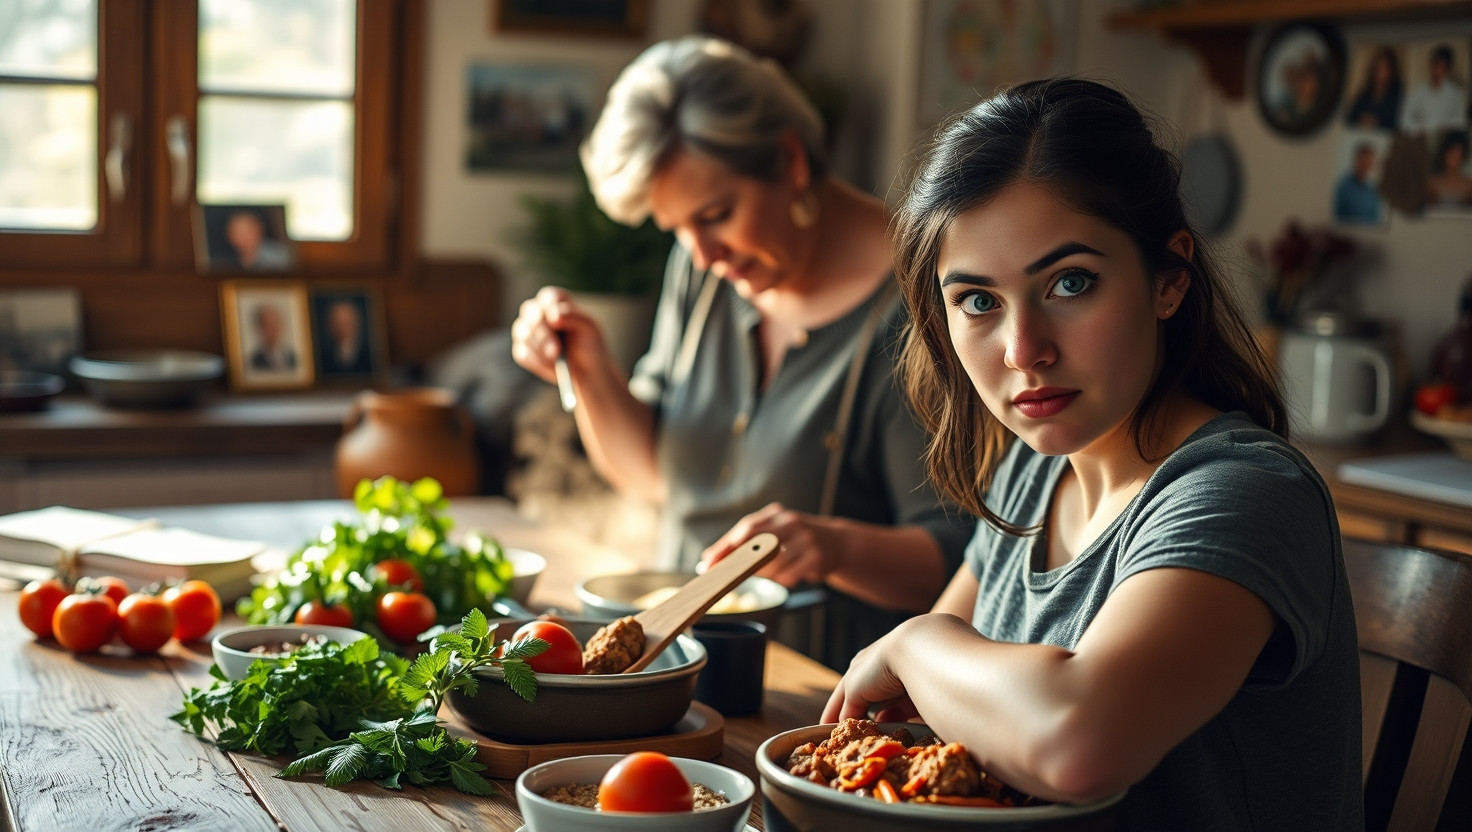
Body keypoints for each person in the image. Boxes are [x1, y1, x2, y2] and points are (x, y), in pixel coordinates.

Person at [823, 78, 1362, 829]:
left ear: (1169, 279)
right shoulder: (1033, 470)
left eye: (1070, 283)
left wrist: (916, 640)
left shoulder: (1245, 490)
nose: (1023, 351)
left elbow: (1078, 742)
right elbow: (925, 721)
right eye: (977, 300)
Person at [510, 36, 976, 669]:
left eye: (717, 213)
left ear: (789, 160)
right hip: (674, 664)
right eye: (677, 228)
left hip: (820, 695)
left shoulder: (922, 302)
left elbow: (959, 559)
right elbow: (652, 475)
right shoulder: (706, 272)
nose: (702, 253)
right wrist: (590, 370)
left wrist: (831, 547)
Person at [1400, 44, 1467, 134]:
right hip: (1421, 139)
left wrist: (1445, 127)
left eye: (1442, 67)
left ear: (1448, 69)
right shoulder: (1418, 91)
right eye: (1435, 65)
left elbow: (1461, 121)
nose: (1437, 71)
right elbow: (1405, 119)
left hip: (1445, 139)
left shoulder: (1456, 94)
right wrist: (1418, 129)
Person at [1345, 45, 1402, 130]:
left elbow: (1398, 124)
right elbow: (1349, 119)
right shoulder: (1364, 94)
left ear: (1392, 71)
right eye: (1378, 67)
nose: (1380, 72)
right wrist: (1360, 120)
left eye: (1384, 68)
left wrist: (1377, 124)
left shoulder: (1397, 95)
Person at [219, 209, 293, 272]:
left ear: (259, 230)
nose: (243, 238)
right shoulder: (225, 260)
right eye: (237, 232)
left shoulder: (278, 255)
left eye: (246, 232)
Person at [318, 298, 374, 376]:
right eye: (338, 322)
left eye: (346, 322)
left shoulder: (371, 354)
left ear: (357, 323)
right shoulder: (323, 356)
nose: (342, 327)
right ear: (330, 326)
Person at [1334, 142, 1384, 222]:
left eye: (1369, 162)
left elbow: (1374, 218)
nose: (1366, 166)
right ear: (1357, 161)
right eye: (1364, 162)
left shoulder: (1373, 190)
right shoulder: (1343, 186)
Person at [1426, 129, 1472, 206]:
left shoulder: (1469, 185)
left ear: (1463, 156)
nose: (1454, 159)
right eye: (1451, 153)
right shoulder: (1432, 183)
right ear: (1444, 154)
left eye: (1458, 155)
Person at [248, 302, 297, 371]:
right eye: (269, 325)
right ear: (261, 329)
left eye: (275, 324)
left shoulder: (291, 357)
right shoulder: (255, 360)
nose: (274, 329)